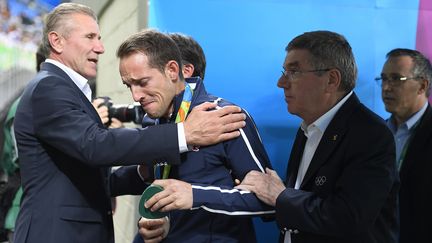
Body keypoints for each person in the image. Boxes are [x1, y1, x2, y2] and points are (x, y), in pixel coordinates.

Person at [12, 3, 246, 243]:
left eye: (100, 37)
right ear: (57, 41)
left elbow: (85, 174)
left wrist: (143, 173)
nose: (100, 48)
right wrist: (183, 134)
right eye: (90, 37)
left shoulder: (227, 114)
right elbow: (96, 146)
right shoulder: (49, 87)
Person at [236, 30, 399, 243]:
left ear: (331, 80)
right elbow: (308, 199)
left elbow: (349, 217)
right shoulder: (309, 127)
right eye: (284, 71)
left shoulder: (371, 134)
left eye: (293, 72)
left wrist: (281, 195)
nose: (281, 82)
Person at [118, 30, 274, 243]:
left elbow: (267, 202)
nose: (136, 96)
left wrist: (195, 195)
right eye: (129, 86)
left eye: (143, 82)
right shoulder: (152, 120)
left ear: (173, 70)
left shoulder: (226, 117)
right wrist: (156, 223)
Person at [376, 48, 432, 243]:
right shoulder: (376, 134)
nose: (386, 87)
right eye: (383, 79)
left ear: (422, 86)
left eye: (396, 79)